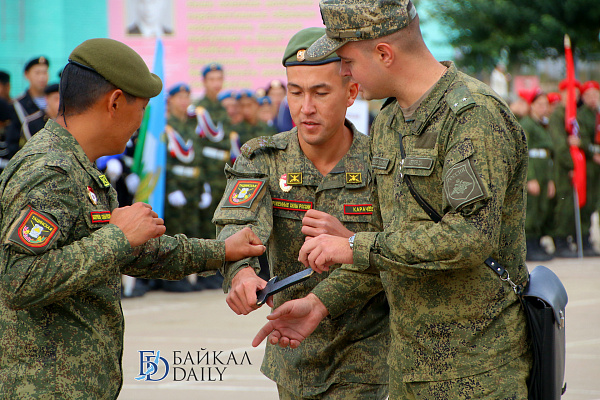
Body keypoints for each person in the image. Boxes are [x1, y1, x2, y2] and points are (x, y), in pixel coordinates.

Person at [253, 1, 531, 398]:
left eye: (346, 59)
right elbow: (387, 245)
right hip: (405, 368)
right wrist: (320, 302)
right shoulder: (389, 123)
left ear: (384, 53)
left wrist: (353, 244)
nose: (344, 71)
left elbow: (470, 237)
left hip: (477, 371)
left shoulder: (472, 118)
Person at [0, 38, 265, 398]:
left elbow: (133, 252)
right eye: (142, 110)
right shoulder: (49, 170)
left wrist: (221, 251)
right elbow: (21, 279)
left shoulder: (79, 167)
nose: (141, 126)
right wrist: (117, 236)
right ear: (115, 102)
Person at [213, 27, 390, 399]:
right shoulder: (263, 158)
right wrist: (240, 272)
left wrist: (349, 243)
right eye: (295, 92)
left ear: (351, 93)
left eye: (320, 93)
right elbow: (237, 221)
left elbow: (392, 250)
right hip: (292, 349)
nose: (305, 107)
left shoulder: (380, 164)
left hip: (364, 349)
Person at [518, 87, 555, 261]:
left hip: (544, 171)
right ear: (531, 106)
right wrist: (529, 178)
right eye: (539, 104)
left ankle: (537, 242)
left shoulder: (543, 125)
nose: (543, 108)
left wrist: (550, 180)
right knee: (531, 211)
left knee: (541, 209)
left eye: (545, 104)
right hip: (533, 171)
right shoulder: (527, 124)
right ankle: (529, 247)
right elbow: (524, 153)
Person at [547, 79, 581, 258]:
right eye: (570, 93)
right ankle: (559, 240)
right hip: (562, 165)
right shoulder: (559, 114)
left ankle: (565, 238)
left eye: (576, 94)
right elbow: (560, 145)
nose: (573, 97)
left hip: (570, 164)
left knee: (569, 202)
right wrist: (571, 164)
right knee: (563, 202)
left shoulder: (571, 114)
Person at [5, 56, 50, 159]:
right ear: (27, 75)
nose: (42, 77)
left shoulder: (56, 100)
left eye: (45, 72)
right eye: (37, 73)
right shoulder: (18, 105)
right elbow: (13, 142)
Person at [578, 80, 600, 256]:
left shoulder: (598, 113)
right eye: (589, 95)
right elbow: (581, 139)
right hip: (589, 163)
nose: (593, 98)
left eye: (596, 94)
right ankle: (584, 238)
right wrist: (593, 153)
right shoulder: (581, 115)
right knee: (588, 201)